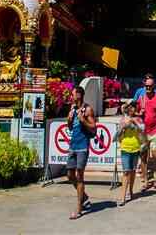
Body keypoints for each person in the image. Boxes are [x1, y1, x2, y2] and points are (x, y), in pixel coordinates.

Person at [65, 85, 96, 220]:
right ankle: (84, 197)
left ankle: (79, 208)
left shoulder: (87, 109)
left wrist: (83, 121)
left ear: (79, 95)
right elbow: (70, 127)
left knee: (79, 176)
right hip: (73, 145)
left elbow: (94, 129)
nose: (71, 96)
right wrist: (69, 120)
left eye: (73, 94)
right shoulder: (72, 108)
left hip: (83, 146)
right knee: (69, 175)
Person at [138, 74, 156, 189]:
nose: (148, 88)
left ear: (153, 86)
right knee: (144, 156)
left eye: (150, 86)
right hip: (144, 132)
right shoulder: (142, 99)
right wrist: (139, 113)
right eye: (146, 86)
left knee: (155, 155)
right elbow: (134, 112)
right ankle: (145, 180)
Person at [114, 100, 145, 206]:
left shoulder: (138, 119)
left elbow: (142, 130)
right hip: (125, 148)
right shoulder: (123, 119)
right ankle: (122, 197)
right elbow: (117, 136)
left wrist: (134, 122)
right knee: (126, 172)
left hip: (135, 148)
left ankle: (130, 191)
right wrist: (123, 127)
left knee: (132, 171)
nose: (132, 109)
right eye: (130, 107)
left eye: (134, 107)